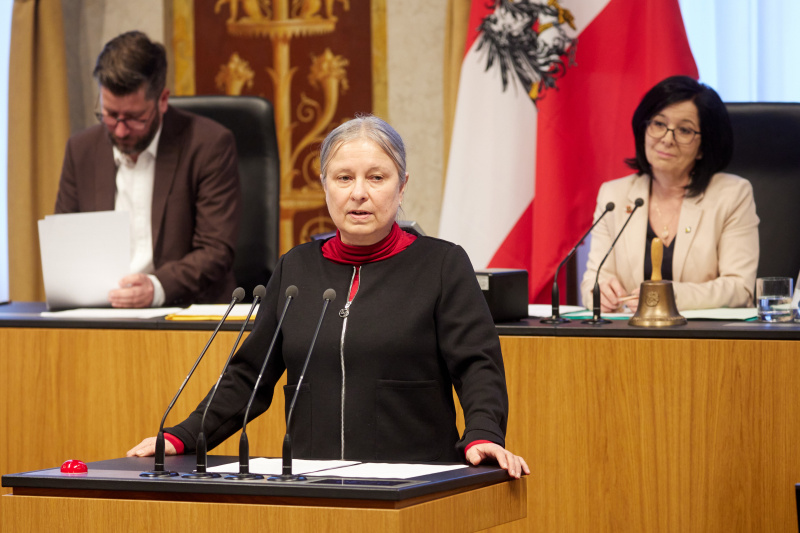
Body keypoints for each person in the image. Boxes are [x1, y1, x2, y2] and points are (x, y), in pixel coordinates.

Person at [128, 115, 529, 477]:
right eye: (343, 178)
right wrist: (183, 436)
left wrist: (483, 433)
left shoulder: (442, 265)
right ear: (324, 186)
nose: (359, 193)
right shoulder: (296, 268)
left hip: (413, 482)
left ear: (402, 186)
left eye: (377, 177)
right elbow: (249, 375)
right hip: (314, 483)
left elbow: (478, 365)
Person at [55, 31, 241, 308]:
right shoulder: (81, 150)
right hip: (101, 313)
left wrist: (155, 287)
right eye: (109, 114)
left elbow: (215, 250)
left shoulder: (209, 145)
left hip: (184, 310)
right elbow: (65, 245)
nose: (119, 129)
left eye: (134, 118)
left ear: (162, 100)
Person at [580, 75, 759, 313]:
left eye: (684, 130)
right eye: (658, 124)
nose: (666, 139)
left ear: (703, 148)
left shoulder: (733, 195)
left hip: (703, 341)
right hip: (629, 339)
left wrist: (671, 296)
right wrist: (599, 291)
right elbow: (594, 278)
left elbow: (740, 288)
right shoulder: (614, 195)